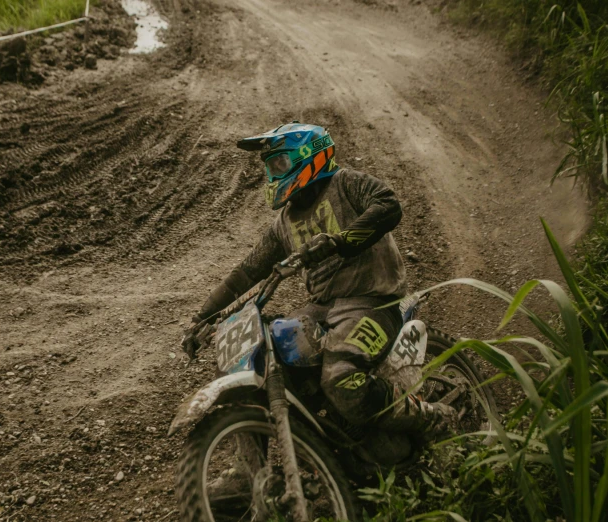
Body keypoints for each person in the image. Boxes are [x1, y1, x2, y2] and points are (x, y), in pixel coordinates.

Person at [182, 122, 455, 443]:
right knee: (264, 362)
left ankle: (430, 415)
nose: (272, 175)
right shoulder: (284, 223)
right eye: (269, 167)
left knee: (340, 376)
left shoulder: (346, 184)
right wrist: (202, 317)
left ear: (307, 155)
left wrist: (339, 241)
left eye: (279, 164)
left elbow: (388, 205)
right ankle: (251, 469)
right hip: (322, 310)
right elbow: (246, 272)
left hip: (375, 303)